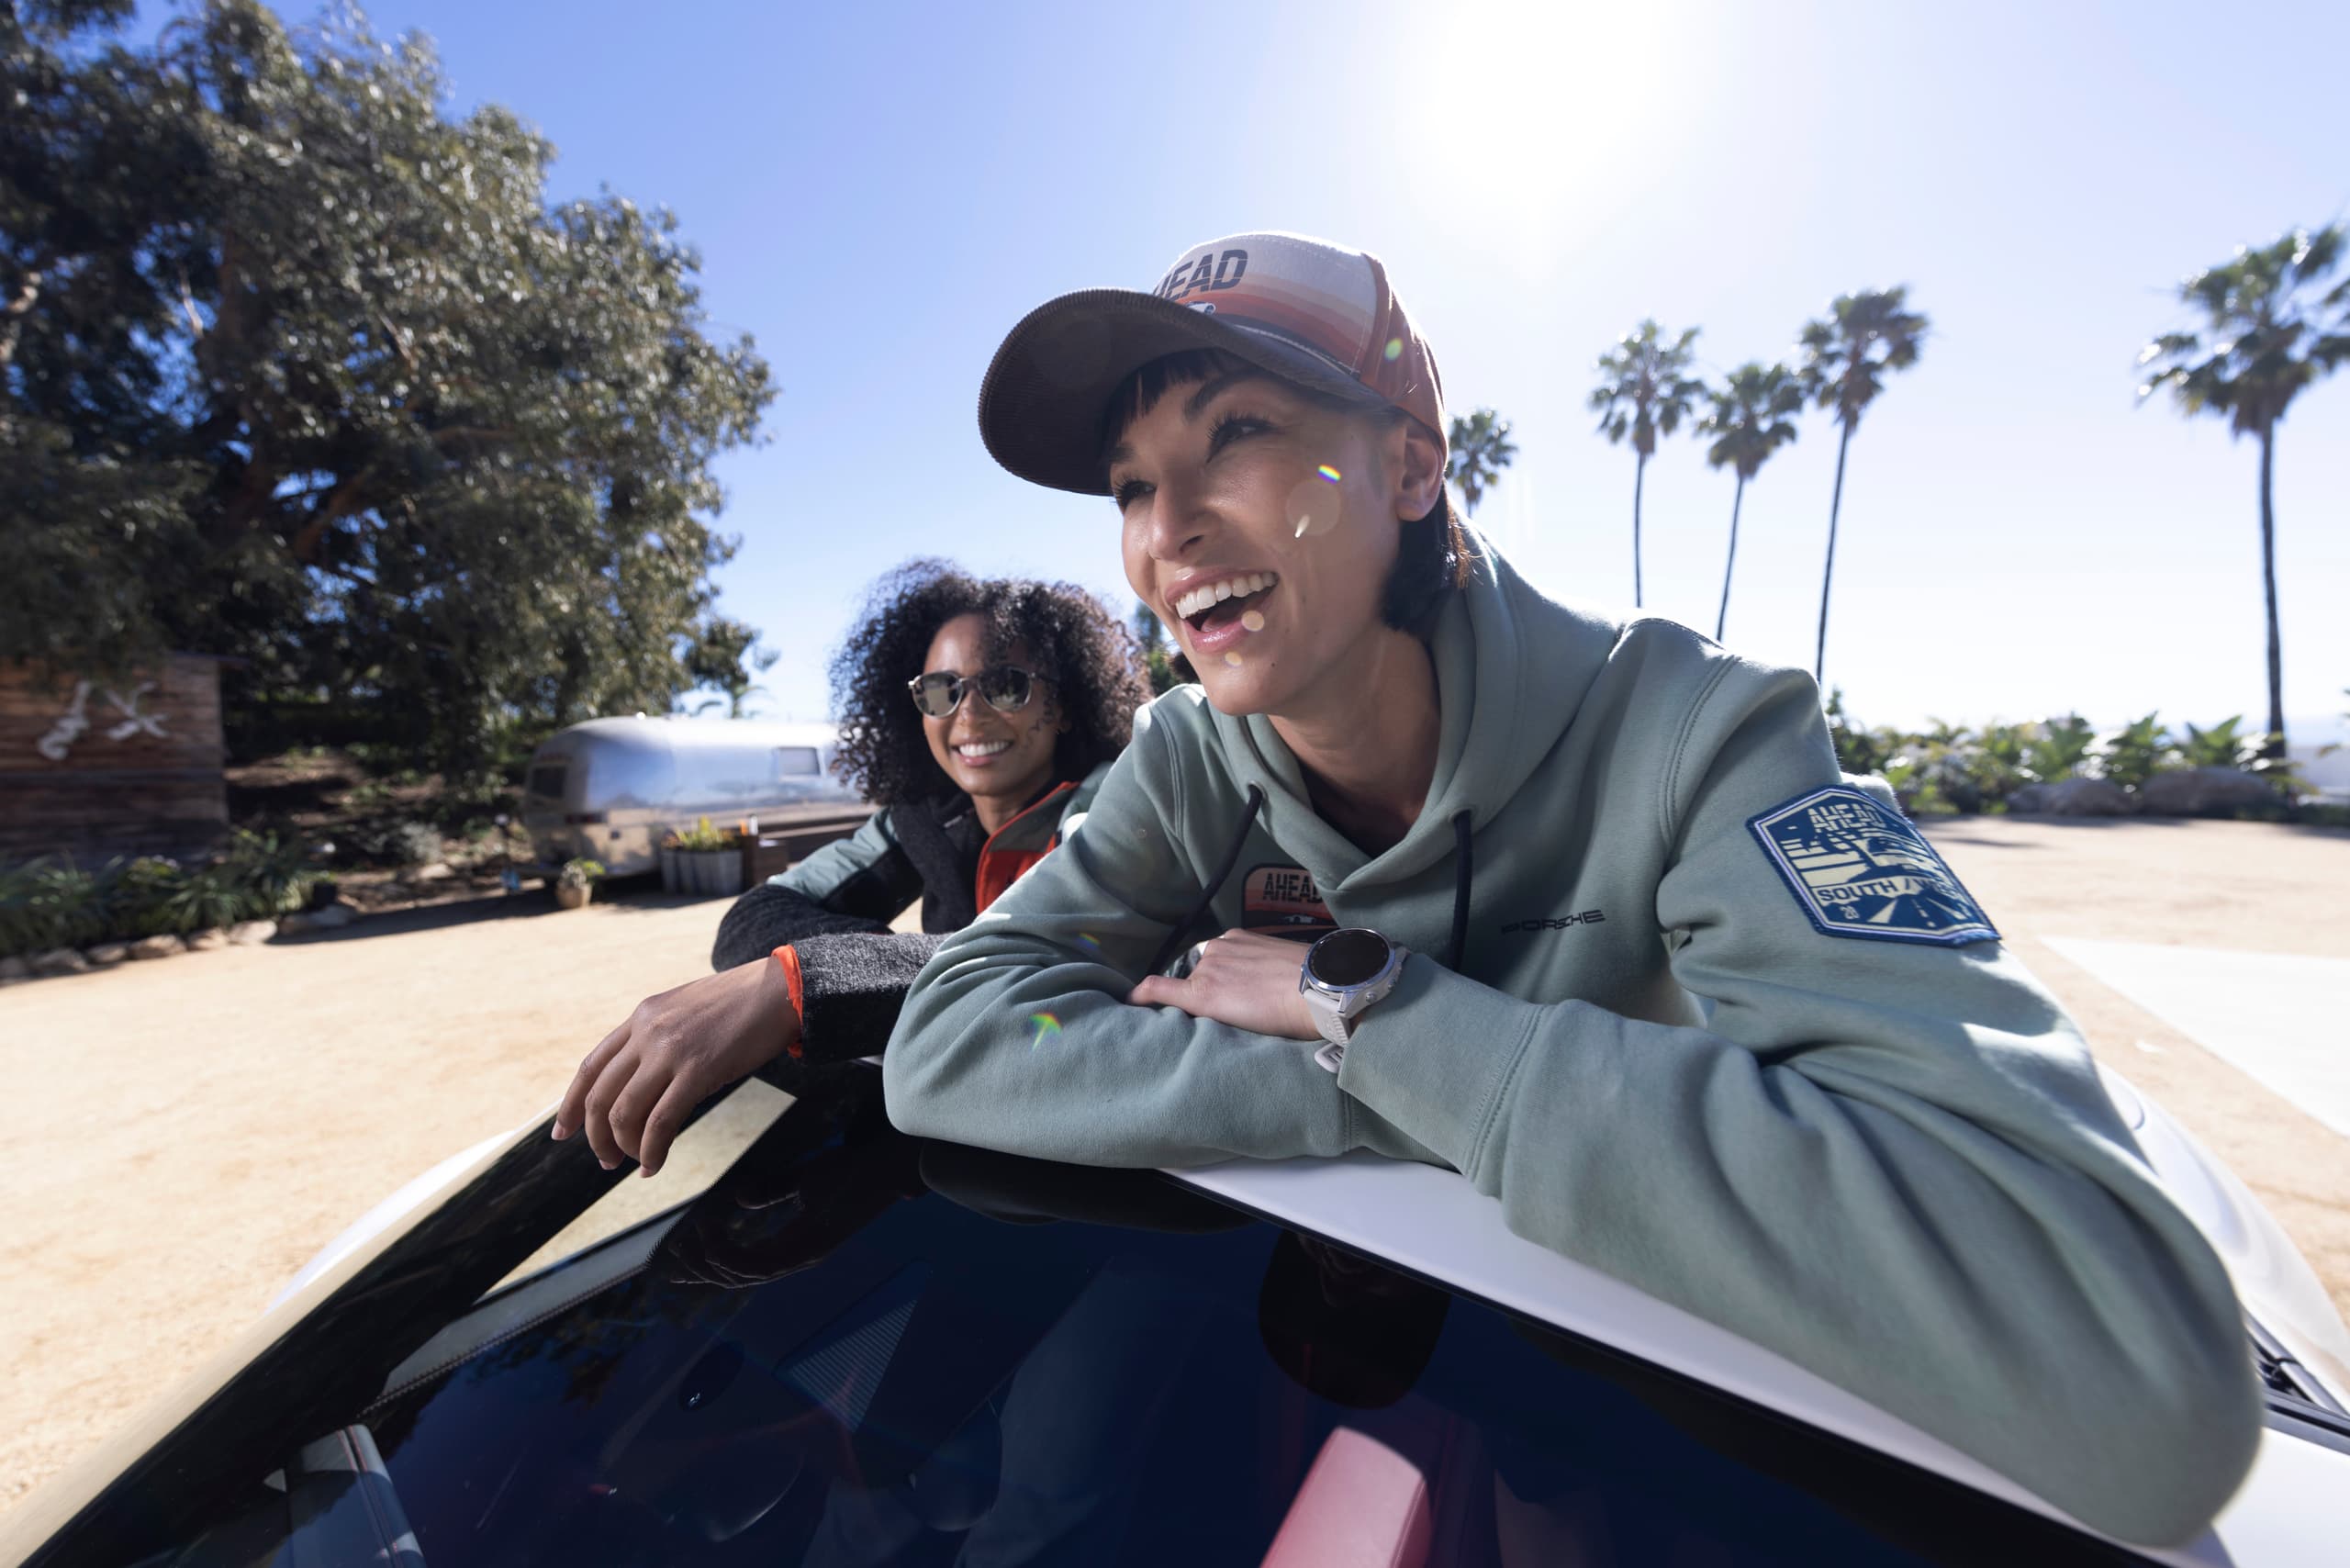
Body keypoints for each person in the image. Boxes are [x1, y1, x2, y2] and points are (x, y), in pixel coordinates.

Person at [880, 232, 2261, 1547]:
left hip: (1680, 1429)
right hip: (1331, 1361)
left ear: (1411, 466)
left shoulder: (1699, 729)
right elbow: (954, 1039)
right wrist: (1390, 1071)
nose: (1167, 531)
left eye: (1235, 433)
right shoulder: (1186, 753)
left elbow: (2130, 1371)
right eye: (1131, 485)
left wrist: (1364, 1008)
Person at [554, 561, 1149, 1177]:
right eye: (941, 690)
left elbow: (1050, 952)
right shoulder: (921, 821)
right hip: (961, 1149)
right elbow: (753, 918)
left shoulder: (1119, 806)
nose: (968, 714)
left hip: (1095, 1158)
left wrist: (806, 984)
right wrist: (868, 970)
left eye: (1005, 686)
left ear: (1065, 705)